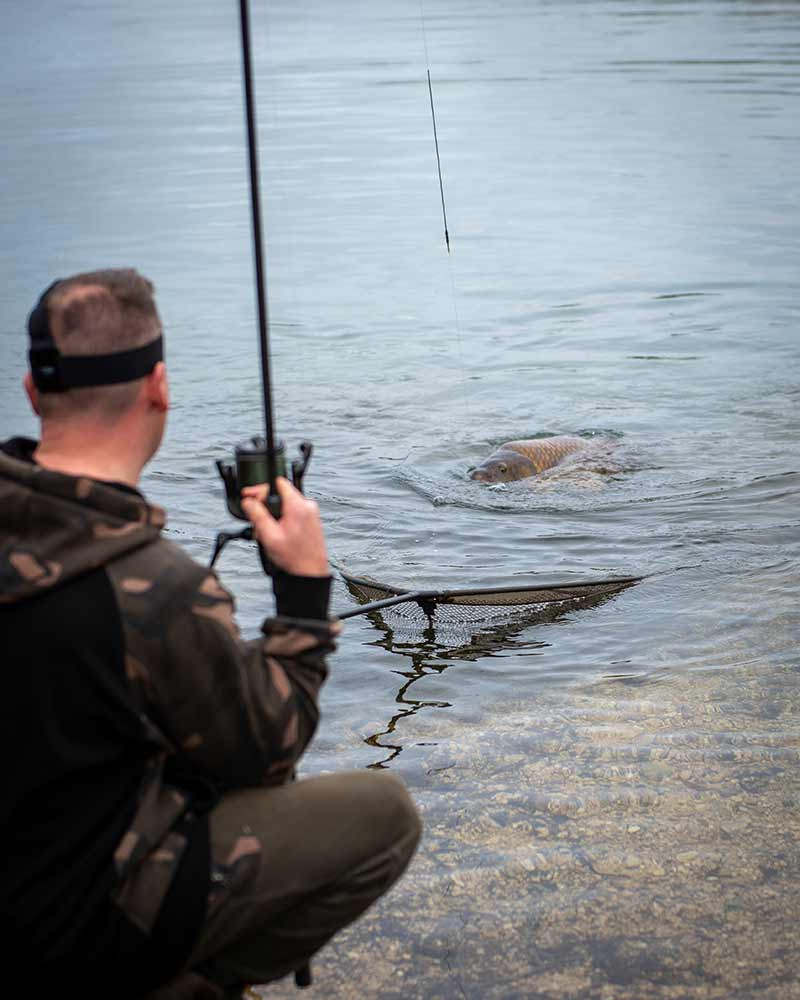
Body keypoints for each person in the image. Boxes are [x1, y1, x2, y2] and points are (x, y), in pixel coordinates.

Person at [0, 269, 422, 1000]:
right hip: (67, 933)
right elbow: (267, 747)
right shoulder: (155, 587)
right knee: (385, 816)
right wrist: (302, 591)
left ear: (34, 393)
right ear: (158, 387)